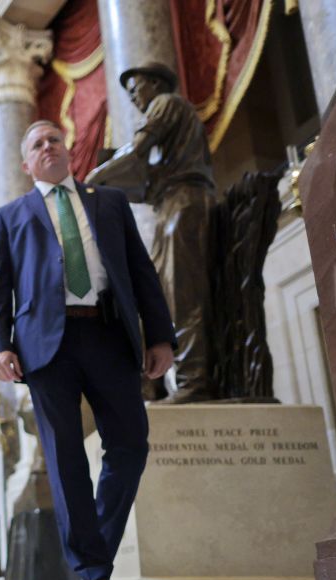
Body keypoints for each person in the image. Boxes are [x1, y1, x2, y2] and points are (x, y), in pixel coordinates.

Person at [0, 120, 176, 580]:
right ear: (26, 165)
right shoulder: (9, 217)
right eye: (36, 145)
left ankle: (95, 559)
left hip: (109, 333)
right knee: (65, 459)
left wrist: (159, 335)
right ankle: (95, 579)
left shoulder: (107, 202)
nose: (48, 148)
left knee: (131, 445)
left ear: (68, 151)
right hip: (45, 345)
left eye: (54, 140)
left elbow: (140, 271)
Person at [87, 62, 215, 402]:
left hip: (185, 200)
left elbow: (137, 152)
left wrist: (91, 182)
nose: (132, 96)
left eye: (136, 86)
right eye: (127, 92)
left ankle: (193, 381)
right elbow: (143, 182)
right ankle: (155, 384)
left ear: (156, 82)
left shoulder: (166, 103)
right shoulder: (167, 119)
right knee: (156, 297)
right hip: (168, 205)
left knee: (181, 294)